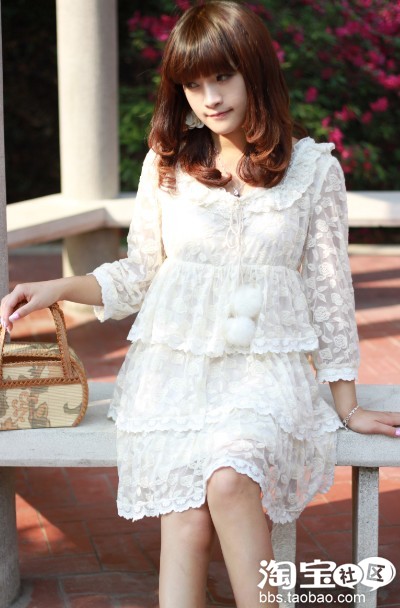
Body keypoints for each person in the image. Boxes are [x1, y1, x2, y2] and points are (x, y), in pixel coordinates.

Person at [1, 2, 400, 607]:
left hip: (264, 374)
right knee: (184, 515)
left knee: (230, 479)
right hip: (174, 375)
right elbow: (139, 274)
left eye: (222, 77)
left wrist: (347, 406)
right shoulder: (167, 164)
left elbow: (329, 293)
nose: (209, 98)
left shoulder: (313, 171)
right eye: (193, 84)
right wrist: (59, 287)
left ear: (254, 72)